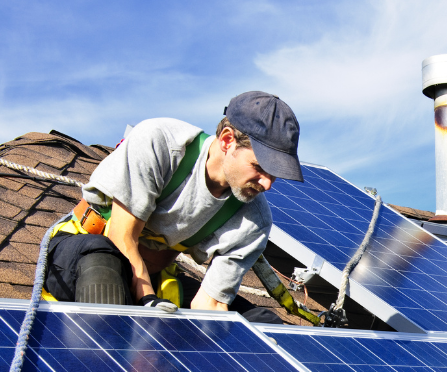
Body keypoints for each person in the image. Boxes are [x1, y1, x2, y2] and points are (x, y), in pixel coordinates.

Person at [45, 91, 303, 313]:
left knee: (255, 324)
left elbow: (211, 305)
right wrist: (147, 302)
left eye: (275, 174)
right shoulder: (161, 143)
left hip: (156, 279)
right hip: (84, 255)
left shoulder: (254, 220)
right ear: (227, 141)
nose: (267, 184)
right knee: (103, 266)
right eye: (259, 167)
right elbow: (120, 237)